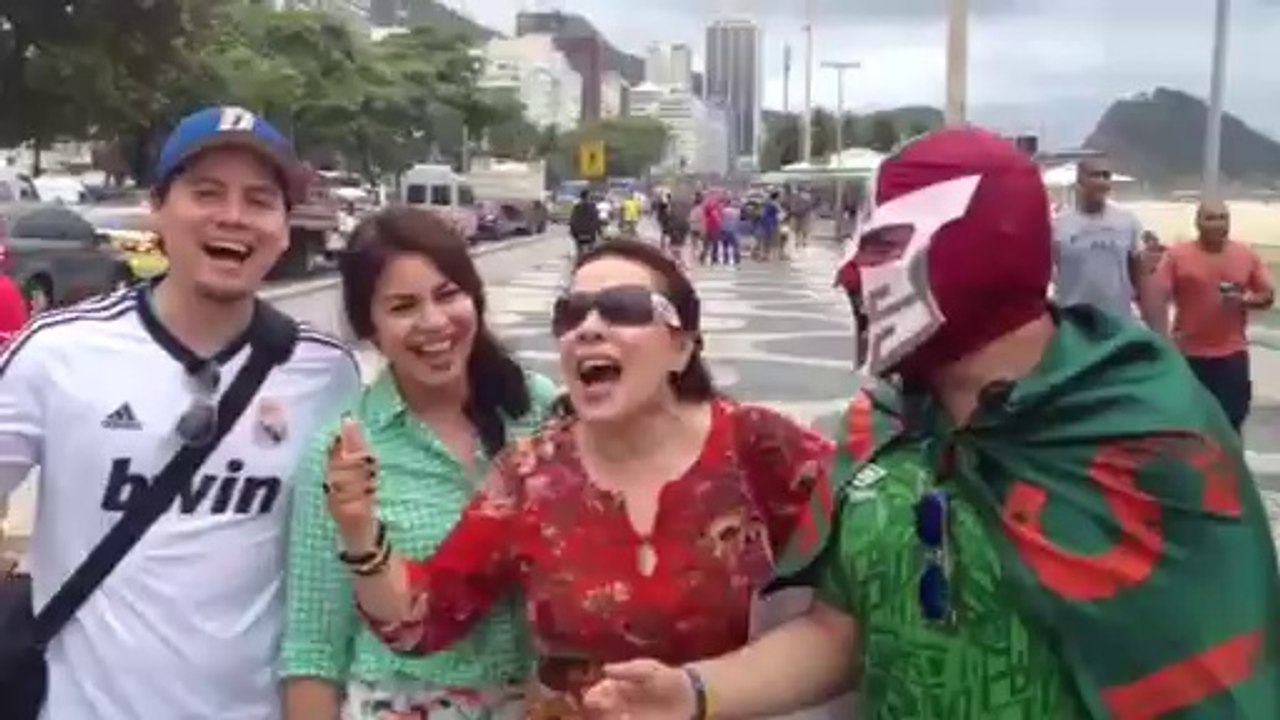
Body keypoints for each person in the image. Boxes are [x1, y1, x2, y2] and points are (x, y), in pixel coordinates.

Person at [583, 127, 1280, 720]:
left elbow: (1211, 671)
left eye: (883, 247)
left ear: (973, 251)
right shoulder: (879, 426)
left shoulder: (1145, 431)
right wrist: (694, 693)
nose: (853, 275)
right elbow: (842, 630)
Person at [324, 238, 835, 717]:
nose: (588, 328)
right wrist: (358, 529)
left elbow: (872, 568)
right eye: (570, 314)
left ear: (681, 347)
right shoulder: (531, 474)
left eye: (625, 309)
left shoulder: (760, 447)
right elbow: (421, 621)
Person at [0, 106, 362, 719]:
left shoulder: (326, 374)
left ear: (283, 226)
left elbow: (336, 570)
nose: (233, 216)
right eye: (206, 192)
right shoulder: (58, 351)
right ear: (157, 208)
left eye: (259, 199)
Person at [281, 206, 560, 720]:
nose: (434, 322)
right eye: (403, 306)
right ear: (370, 329)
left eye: (448, 294)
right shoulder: (345, 451)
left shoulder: (538, 410)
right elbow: (312, 647)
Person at [1149, 200, 1274, 432]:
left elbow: (1267, 295)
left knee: (1232, 423)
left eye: (1222, 218)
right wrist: (1163, 339)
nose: (1217, 224)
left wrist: (1244, 300)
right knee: (1189, 428)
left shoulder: (1245, 254)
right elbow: (1156, 296)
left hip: (1231, 355)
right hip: (1189, 356)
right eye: (1210, 218)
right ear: (1197, 222)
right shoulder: (1178, 256)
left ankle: (1231, 468)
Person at [1051, 156, 1151, 322]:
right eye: (1095, 175)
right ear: (1079, 181)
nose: (1101, 181)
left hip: (1117, 317)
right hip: (1073, 319)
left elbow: (1138, 270)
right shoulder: (1060, 224)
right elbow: (1052, 269)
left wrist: (1145, 311)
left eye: (1106, 176)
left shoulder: (1126, 220)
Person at [568, 189, 599, 259]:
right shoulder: (592, 207)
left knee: (580, 251)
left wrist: (572, 231)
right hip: (590, 233)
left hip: (579, 233)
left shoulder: (577, 207)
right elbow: (596, 220)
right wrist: (599, 231)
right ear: (588, 197)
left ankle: (580, 263)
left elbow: (573, 220)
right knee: (591, 252)